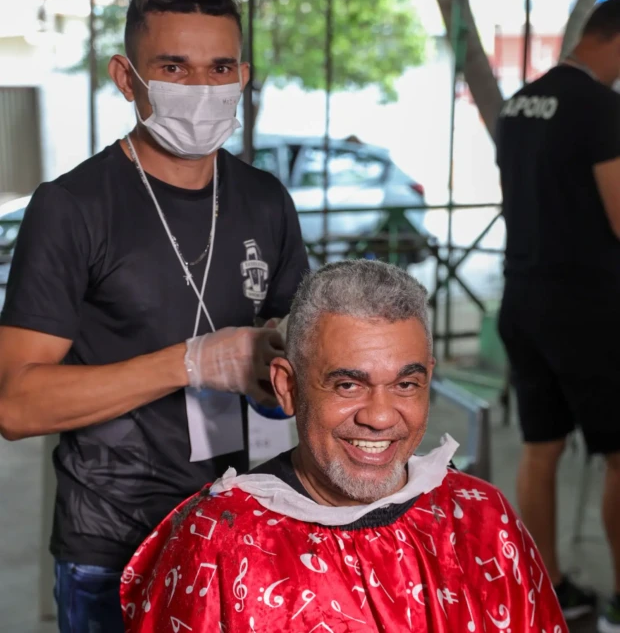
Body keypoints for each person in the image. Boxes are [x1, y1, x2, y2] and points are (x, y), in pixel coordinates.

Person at [0, 0, 308, 632]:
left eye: (219, 69)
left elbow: (293, 353)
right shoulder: (72, 207)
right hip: (113, 544)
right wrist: (190, 362)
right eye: (173, 67)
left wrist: (284, 373)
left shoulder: (266, 200)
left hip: (244, 526)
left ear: (242, 76)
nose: (201, 88)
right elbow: (16, 405)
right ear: (127, 77)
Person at [121, 260, 566, 633]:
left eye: (406, 384)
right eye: (348, 385)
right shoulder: (216, 544)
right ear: (288, 387)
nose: (380, 416)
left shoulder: (482, 519)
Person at [496, 0, 620, 631]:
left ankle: (546, 591)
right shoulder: (601, 107)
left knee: (539, 448)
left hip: (522, 298)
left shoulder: (519, 104)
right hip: (590, 310)